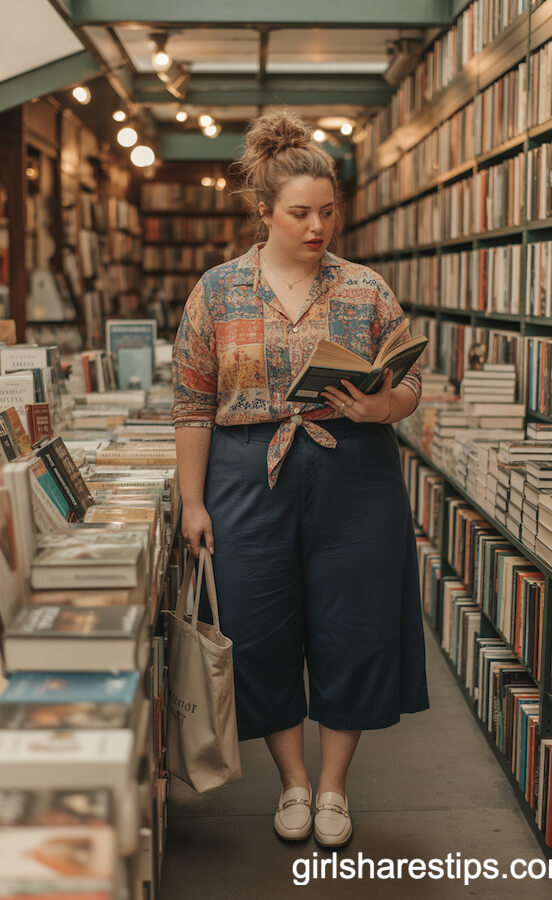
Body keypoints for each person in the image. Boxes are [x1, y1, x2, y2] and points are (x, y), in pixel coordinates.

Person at [170, 110, 430, 848]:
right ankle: (290, 781)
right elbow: (191, 404)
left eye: (328, 211)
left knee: (356, 627)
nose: (318, 226)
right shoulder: (217, 292)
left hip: (355, 473)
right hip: (247, 474)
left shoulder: (366, 290)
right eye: (300, 214)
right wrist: (192, 501)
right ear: (264, 213)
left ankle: (333, 789)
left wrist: (384, 404)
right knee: (257, 629)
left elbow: (410, 387)